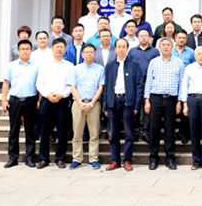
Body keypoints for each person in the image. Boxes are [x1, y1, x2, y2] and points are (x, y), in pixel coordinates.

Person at [102, 38, 143, 171]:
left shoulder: (134, 64)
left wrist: (137, 105)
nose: (121, 49)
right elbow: (106, 85)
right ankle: (115, 160)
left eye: (123, 46)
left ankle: (127, 160)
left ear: (127, 48)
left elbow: (138, 86)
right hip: (113, 100)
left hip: (128, 101)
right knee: (113, 132)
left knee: (129, 132)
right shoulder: (110, 65)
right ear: (115, 48)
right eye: (118, 46)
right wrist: (105, 105)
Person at [144, 37, 185, 170]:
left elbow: (182, 83)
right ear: (159, 48)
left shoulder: (179, 63)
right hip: (155, 98)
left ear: (172, 47)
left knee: (170, 129)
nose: (166, 47)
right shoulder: (154, 62)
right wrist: (147, 100)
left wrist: (180, 101)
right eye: (163, 45)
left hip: (171, 99)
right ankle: (153, 158)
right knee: (154, 129)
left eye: (168, 45)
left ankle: (170, 158)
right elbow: (148, 82)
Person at [35, 38, 73, 169]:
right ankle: (43, 158)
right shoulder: (44, 64)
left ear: (65, 50)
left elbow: (72, 85)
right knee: (44, 130)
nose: (59, 49)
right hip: (47, 100)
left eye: (62, 47)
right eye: (57, 47)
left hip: (62, 101)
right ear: (52, 49)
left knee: (62, 131)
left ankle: (60, 158)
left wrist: (63, 94)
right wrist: (48, 95)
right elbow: (39, 83)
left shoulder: (69, 66)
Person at [2, 39, 39, 168]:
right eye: (22, 49)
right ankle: (13, 158)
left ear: (31, 51)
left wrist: (39, 100)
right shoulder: (11, 65)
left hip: (31, 101)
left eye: (27, 49)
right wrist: (3, 100)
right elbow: (6, 83)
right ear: (18, 51)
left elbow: (39, 84)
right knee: (14, 130)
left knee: (30, 130)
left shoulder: (36, 66)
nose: (25, 51)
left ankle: (29, 158)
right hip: (15, 101)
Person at [67, 43, 105, 169]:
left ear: (95, 54)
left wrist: (92, 103)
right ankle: (77, 158)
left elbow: (100, 87)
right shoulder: (76, 69)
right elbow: (73, 87)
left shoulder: (100, 69)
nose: (89, 54)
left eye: (91, 52)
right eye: (87, 52)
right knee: (77, 133)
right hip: (78, 103)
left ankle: (93, 158)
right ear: (82, 54)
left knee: (94, 133)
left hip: (94, 104)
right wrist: (80, 103)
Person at [127, 29, 160, 142]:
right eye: (141, 36)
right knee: (135, 107)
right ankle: (135, 132)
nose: (144, 38)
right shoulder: (132, 51)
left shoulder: (155, 51)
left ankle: (146, 132)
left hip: (149, 82)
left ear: (150, 38)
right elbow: (128, 66)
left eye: (146, 36)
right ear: (138, 37)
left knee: (147, 108)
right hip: (135, 82)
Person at [173, 30, 195, 144]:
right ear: (175, 38)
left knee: (185, 111)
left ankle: (183, 134)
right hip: (172, 83)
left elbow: (195, 67)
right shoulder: (170, 51)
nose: (181, 40)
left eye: (184, 38)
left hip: (186, 84)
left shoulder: (191, 52)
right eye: (179, 37)